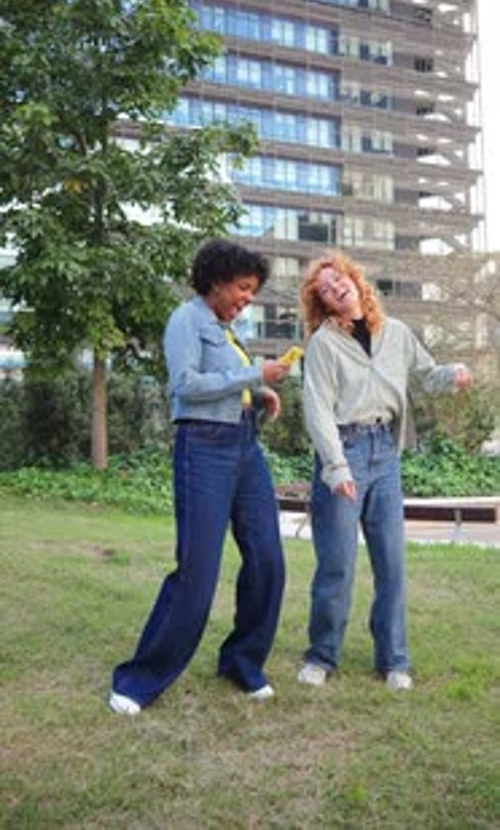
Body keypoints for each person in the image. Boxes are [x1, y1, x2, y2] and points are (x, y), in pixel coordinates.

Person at [110, 239, 290, 714]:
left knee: (269, 559)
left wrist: (259, 395)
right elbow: (184, 385)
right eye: (244, 288)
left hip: (245, 447)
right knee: (198, 572)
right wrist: (253, 377)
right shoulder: (187, 320)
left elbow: (230, 385)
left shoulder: (229, 331)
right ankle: (138, 679)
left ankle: (241, 661)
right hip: (204, 449)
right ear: (217, 280)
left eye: (253, 291)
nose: (248, 298)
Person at [297, 251, 473, 692]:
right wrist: (336, 469)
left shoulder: (395, 333)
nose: (336, 287)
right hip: (344, 450)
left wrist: (452, 374)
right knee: (336, 565)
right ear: (322, 303)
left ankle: (394, 660)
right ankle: (321, 655)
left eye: (339, 279)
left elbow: (426, 376)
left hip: (385, 455)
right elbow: (317, 408)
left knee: (391, 564)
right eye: (325, 289)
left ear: (355, 281)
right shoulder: (323, 344)